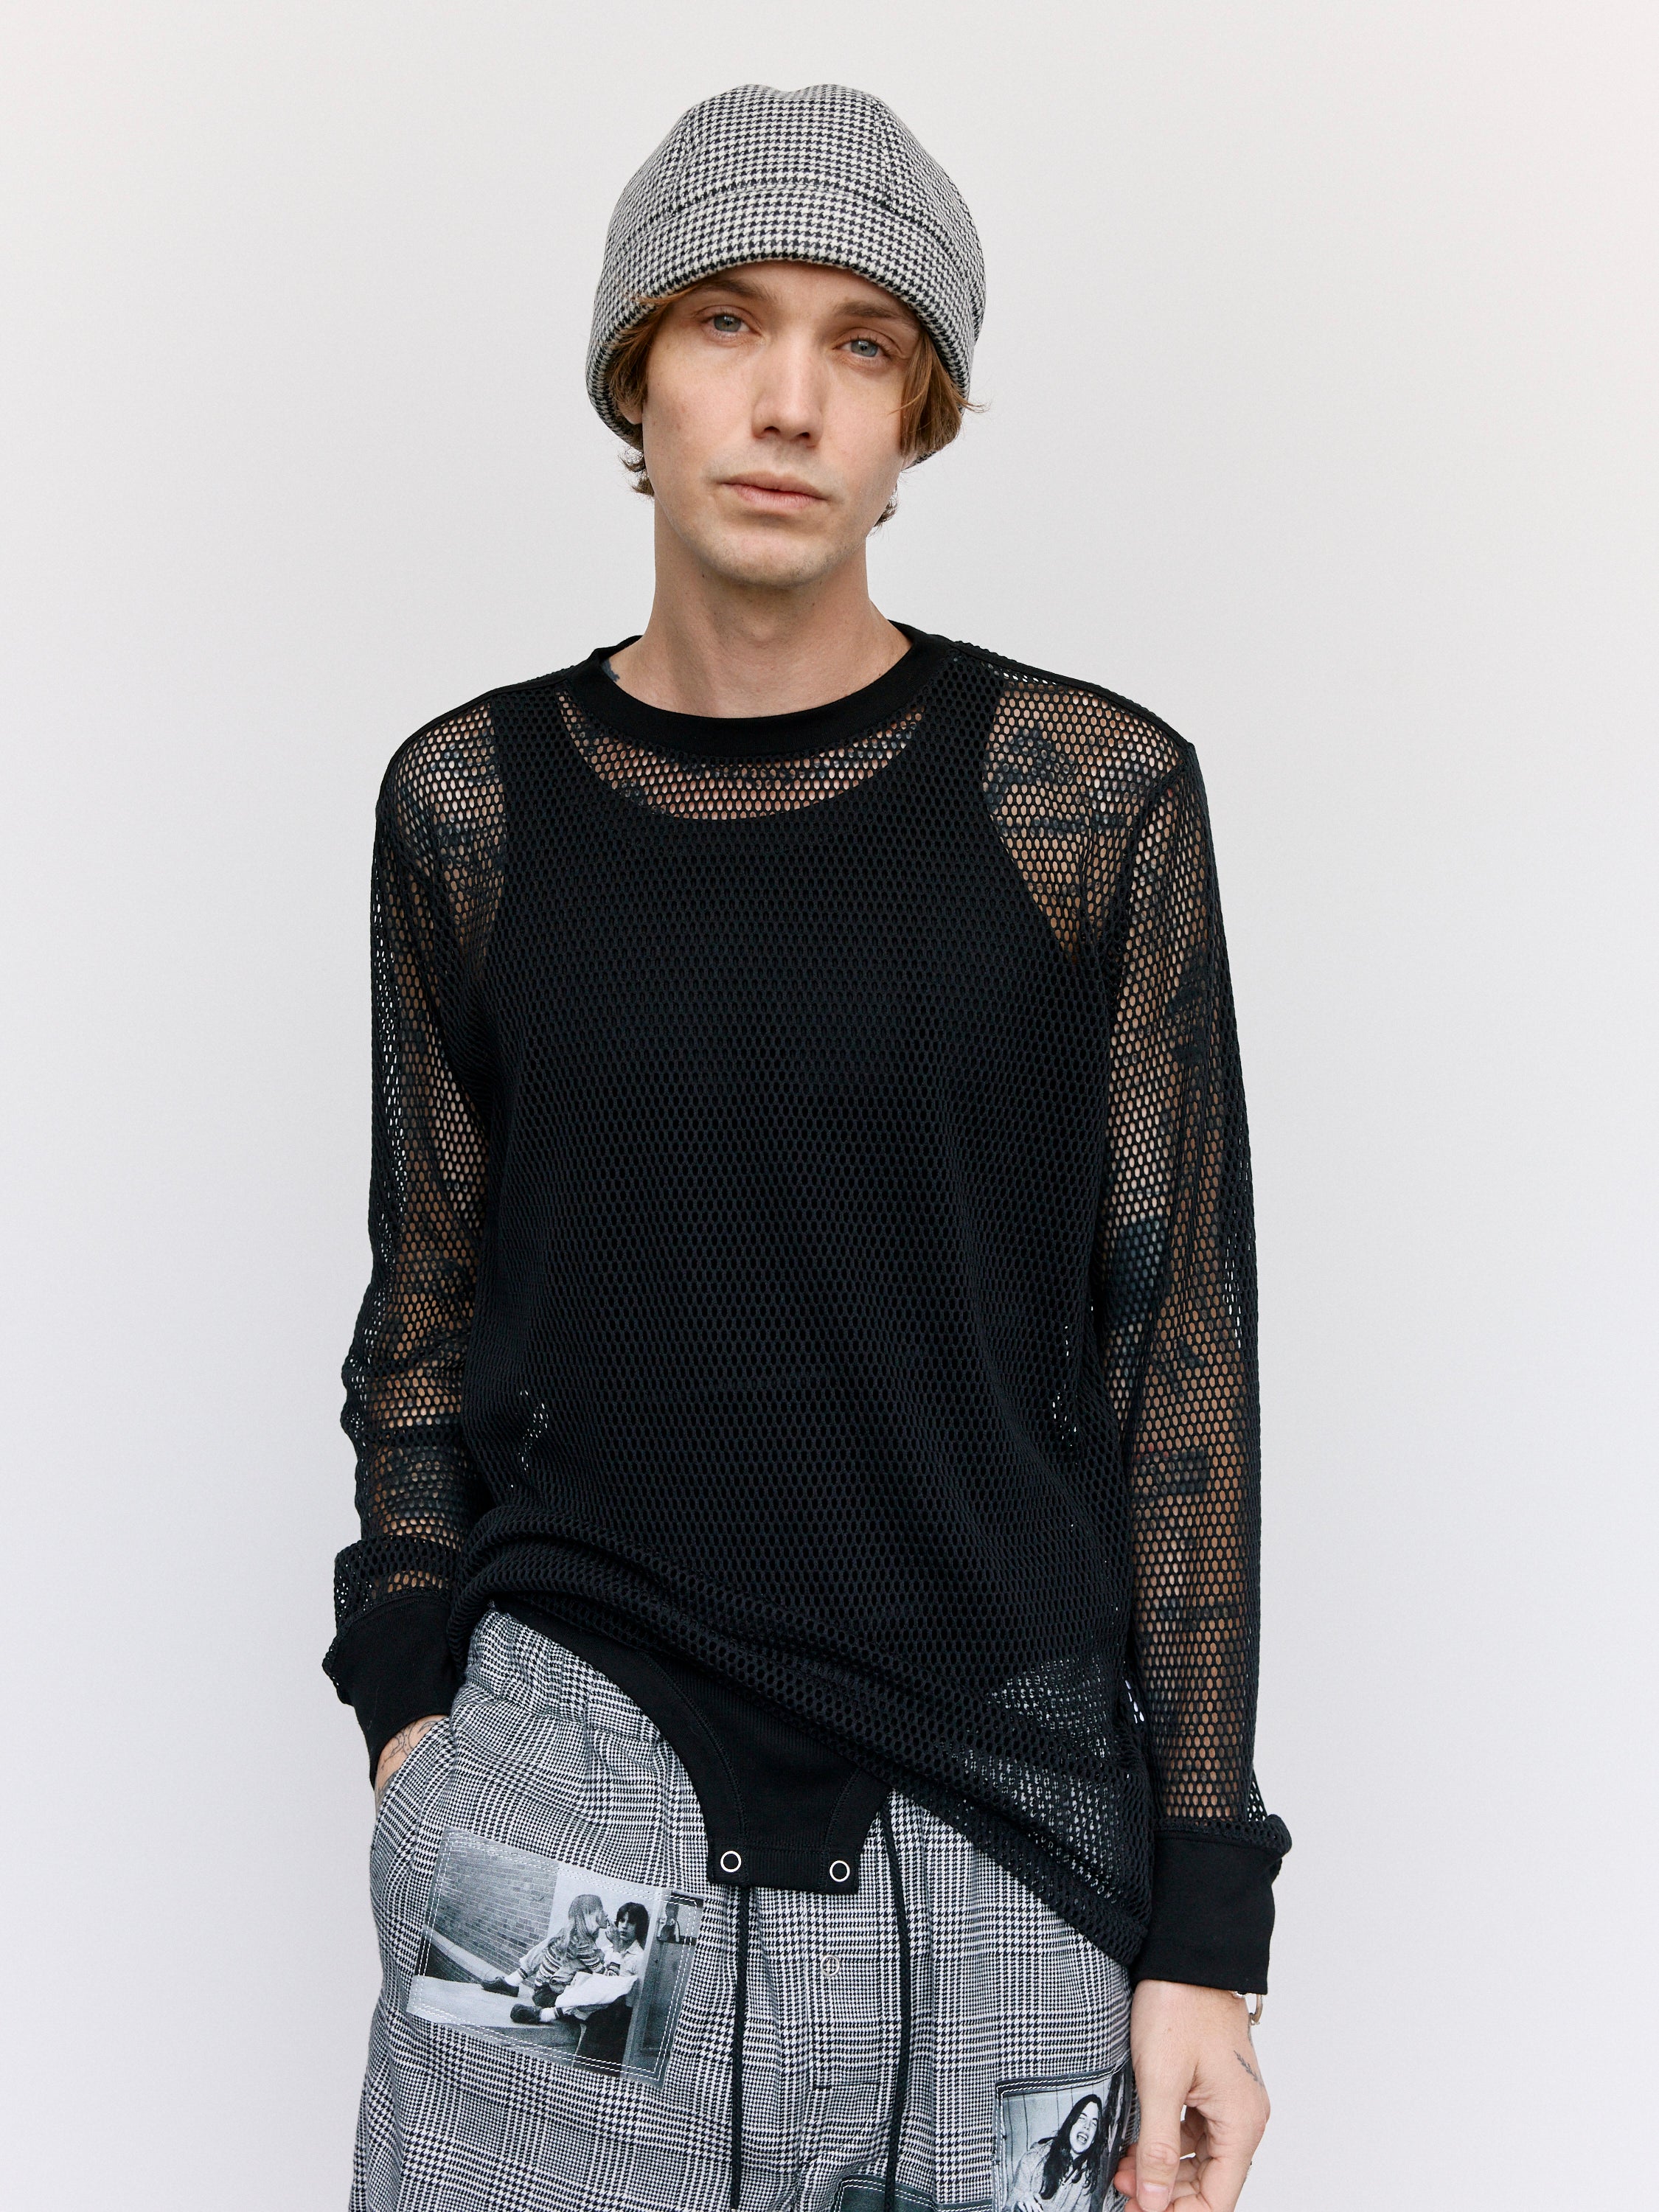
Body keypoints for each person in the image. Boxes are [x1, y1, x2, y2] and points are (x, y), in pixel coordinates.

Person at [327, 80, 1290, 2212]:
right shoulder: (469, 807)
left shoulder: (1085, 801)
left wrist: (1204, 1921)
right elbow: (429, 1301)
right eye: (725, 321)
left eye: (862, 342)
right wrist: (412, 1724)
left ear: (918, 411)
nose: (788, 401)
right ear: (634, 372)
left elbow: (1177, 1364)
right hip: (564, 1804)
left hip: (1001, 1831)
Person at [1006, 2095, 1108, 2212]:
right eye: (1082, 2118)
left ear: (1094, 2139)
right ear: (1071, 2124)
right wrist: (1018, 2207)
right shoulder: (1033, 2159)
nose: (1087, 2126)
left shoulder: (1086, 2177)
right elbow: (1007, 2209)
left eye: (1094, 2123)